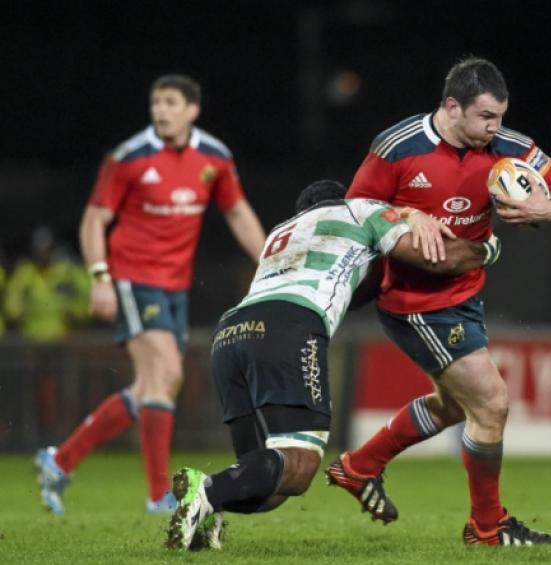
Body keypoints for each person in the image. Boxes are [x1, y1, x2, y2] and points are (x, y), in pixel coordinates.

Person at [324, 57, 551, 546]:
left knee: (453, 405)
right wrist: (405, 212)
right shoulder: (398, 146)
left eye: (500, 117)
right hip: (414, 299)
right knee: (491, 405)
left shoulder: (505, 148)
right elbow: (355, 212)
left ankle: (360, 466)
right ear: (452, 106)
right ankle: (487, 527)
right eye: (486, 117)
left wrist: (548, 206)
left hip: (464, 293)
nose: (495, 128)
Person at [164, 179, 502, 550]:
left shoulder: (282, 231)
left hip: (230, 332)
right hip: (290, 325)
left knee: (266, 477)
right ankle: (208, 489)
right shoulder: (362, 209)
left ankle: (206, 509)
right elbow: (432, 255)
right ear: (342, 197)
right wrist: (487, 248)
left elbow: (354, 286)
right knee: (300, 464)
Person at [35, 74, 266, 514]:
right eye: (156, 102)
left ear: (192, 110)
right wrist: (100, 276)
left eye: (170, 102)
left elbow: (236, 210)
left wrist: (269, 259)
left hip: (174, 284)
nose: (161, 110)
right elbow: (93, 220)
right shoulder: (128, 158)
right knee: (165, 371)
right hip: (132, 278)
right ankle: (158, 494)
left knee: (151, 387)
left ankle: (60, 461)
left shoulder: (214, 157)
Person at [4, 226, 91, 341]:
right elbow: (12, 300)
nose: (42, 254)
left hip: (62, 336)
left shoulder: (67, 271)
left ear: (53, 249)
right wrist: (20, 313)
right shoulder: (26, 271)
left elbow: (87, 294)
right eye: (38, 250)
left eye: (46, 249)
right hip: (31, 336)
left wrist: (76, 312)